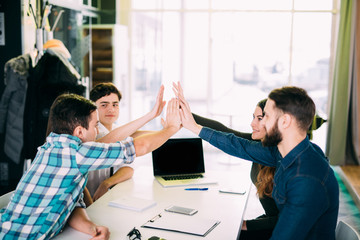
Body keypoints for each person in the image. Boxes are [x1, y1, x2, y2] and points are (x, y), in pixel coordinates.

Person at [0, 91, 181, 240]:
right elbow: (139, 146)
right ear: (79, 131)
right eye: (95, 125)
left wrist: (91, 228)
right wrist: (170, 129)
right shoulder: (77, 155)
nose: (97, 131)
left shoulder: (52, 146)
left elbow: (71, 203)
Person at [175, 82, 339, 240]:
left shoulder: (306, 179)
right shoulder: (285, 153)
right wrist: (192, 125)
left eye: (265, 116)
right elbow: (239, 145)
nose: (259, 122)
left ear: (285, 121)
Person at [193, 99, 278, 240]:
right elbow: (225, 132)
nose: (252, 124)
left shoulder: (280, 157)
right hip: (271, 221)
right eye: (253, 117)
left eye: (259, 119)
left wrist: (247, 225)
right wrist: (185, 115)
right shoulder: (258, 144)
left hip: (284, 229)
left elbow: (290, 218)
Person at [84, 82, 164, 204]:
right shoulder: (89, 134)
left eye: (115, 104)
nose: (111, 109)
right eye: (104, 105)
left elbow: (128, 168)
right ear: (93, 107)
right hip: (88, 202)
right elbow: (118, 138)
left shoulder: (117, 129)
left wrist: (107, 183)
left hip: (109, 198)